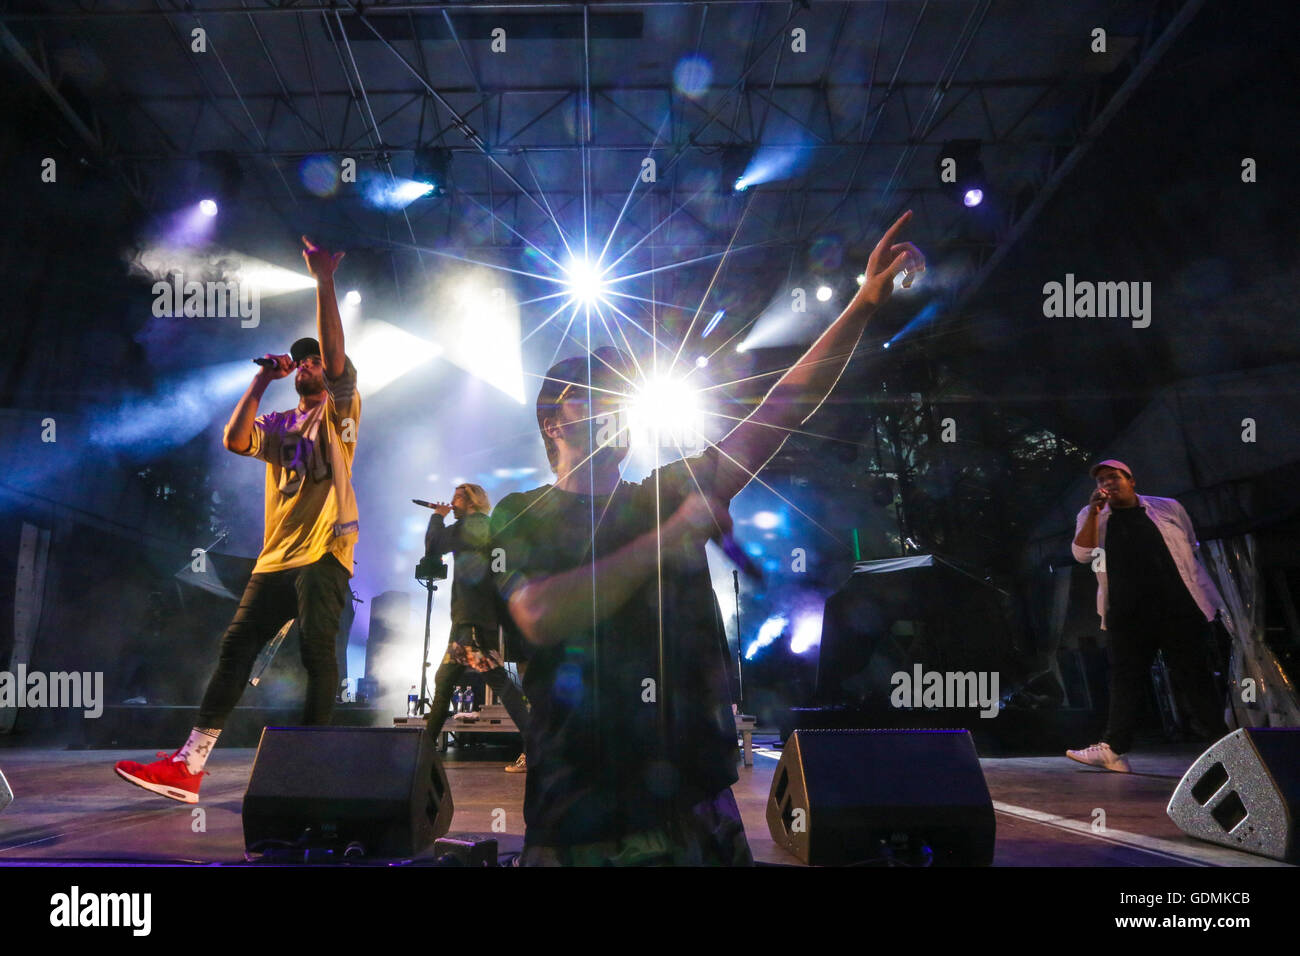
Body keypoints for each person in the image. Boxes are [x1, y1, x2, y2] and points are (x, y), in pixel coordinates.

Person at [491, 212, 923, 865]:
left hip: (692, 796)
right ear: (553, 418)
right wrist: (672, 539)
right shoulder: (522, 512)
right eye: (591, 394)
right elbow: (540, 615)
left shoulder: (666, 491)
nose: (610, 404)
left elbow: (781, 407)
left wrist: (862, 304)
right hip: (579, 803)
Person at [115, 237, 359, 803]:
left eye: (315, 359)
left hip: (325, 552)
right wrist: (259, 380)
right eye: (302, 359)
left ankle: (310, 773)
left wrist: (323, 280)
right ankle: (190, 764)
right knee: (235, 647)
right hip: (275, 556)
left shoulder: (341, 412)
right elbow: (234, 440)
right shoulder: (278, 421)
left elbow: (339, 359)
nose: (308, 364)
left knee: (316, 652)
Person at [1067, 459, 1229, 772]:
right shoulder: (1090, 515)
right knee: (1125, 679)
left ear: (1131, 480)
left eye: (1114, 477)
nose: (1108, 484)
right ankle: (1113, 749)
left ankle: (1221, 745)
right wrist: (1094, 514)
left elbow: (1190, 545)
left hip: (1178, 608)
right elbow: (1081, 554)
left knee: (1195, 675)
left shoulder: (1168, 507)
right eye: (1101, 479)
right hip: (1127, 613)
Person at [422, 483, 530, 772]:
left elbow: (433, 546)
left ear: (470, 502)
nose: (452, 501)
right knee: (445, 680)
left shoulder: (468, 526)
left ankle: (536, 747)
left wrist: (438, 516)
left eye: (457, 497)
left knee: (498, 683)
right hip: (474, 619)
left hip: (471, 621)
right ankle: (424, 751)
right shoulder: (489, 528)